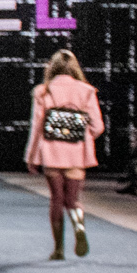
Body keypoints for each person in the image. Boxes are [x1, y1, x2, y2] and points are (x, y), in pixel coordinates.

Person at [25, 49, 104, 259]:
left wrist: (31, 156)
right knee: (73, 199)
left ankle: (58, 249)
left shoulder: (42, 91)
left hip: (52, 151)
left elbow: (37, 125)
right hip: (76, 152)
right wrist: (82, 134)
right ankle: (79, 227)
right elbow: (98, 126)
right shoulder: (86, 90)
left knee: (56, 200)